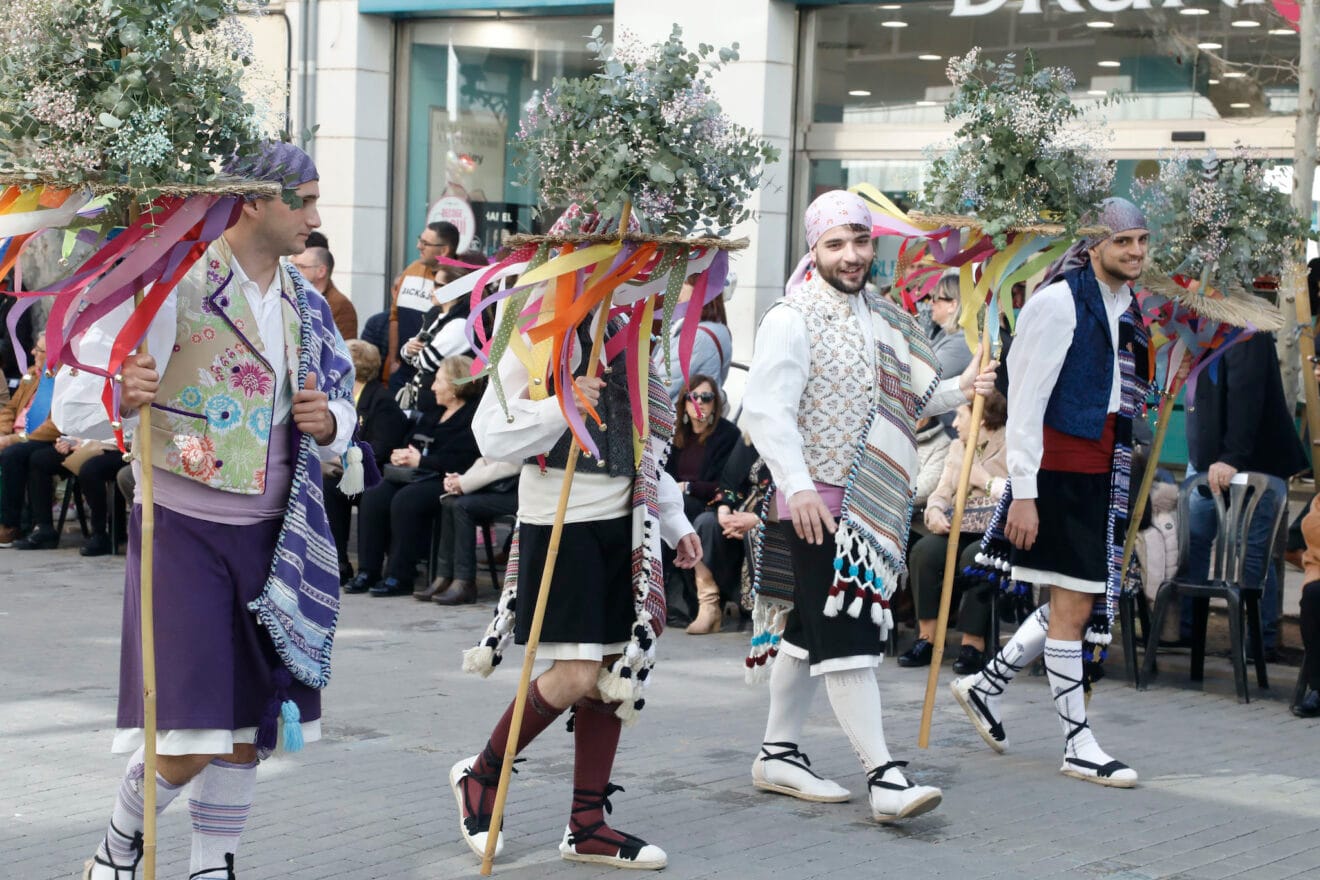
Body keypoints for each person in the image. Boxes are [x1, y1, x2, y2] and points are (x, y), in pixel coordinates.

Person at [56, 142, 363, 880]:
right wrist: (117, 396)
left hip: (276, 533)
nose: (316, 219)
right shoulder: (162, 285)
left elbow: (347, 411)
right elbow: (74, 397)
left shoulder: (309, 305)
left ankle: (212, 865)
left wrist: (331, 425)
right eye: (306, 201)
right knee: (191, 726)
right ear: (252, 201)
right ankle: (118, 841)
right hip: (182, 529)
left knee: (248, 724)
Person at [739, 190, 995, 823]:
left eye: (860, 241)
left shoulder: (882, 316)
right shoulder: (791, 316)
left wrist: (965, 387)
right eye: (836, 244)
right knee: (848, 639)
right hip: (815, 505)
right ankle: (884, 777)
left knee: (805, 635)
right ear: (813, 249)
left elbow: (915, 395)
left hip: (867, 505)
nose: (851, 255)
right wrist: (796, 485)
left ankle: (777, 752)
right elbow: (765, 411)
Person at [453, 273, 701, 869]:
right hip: (560, 518)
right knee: (574, 672)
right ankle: (482, 774)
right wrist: (564, 404)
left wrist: (675, 521)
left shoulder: (631, 325)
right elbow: (490, 431)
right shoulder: (534, 315)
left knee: (613, 673)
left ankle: (587, 823)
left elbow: (645, 442)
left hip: (627, 520)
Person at [950, 197, 1154, 789]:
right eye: (1124, 242)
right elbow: (1026, 404)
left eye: (1142, 240)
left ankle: (986, 685)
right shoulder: (1058, 303)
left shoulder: (1124, 304)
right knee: (1075, 606)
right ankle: (1077, 742)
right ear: (1094, 245)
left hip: (1101, 468)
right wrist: (1024, 491)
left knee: (1079, 600)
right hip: (1059, 471)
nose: (1136, 252)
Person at [1182, 329, 1307, 660]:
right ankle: (1188, 631)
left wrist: (1231, 457)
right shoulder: (1196, 327)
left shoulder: (1246, 329)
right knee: (1193, 542)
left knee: (1250, 552)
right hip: (1207, 460)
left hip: (1250, 462)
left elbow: (1246, 394)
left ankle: (1258, 640)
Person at [345, 355, 482, 597]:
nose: (432, 386)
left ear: (455, 386)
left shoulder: (471, 418)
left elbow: (464, 460)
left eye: (438, 381)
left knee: (406, 500)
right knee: (375, 493)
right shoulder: (434, 411)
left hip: (448, 479)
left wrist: (423, 460)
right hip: (416, 474)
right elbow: (412, 439)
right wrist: (403, 454)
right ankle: (368, 570)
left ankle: (400, 575)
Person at [898, 393, 1008, 673]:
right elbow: (942, 491)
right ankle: (928, 638)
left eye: (961, 415)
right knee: (924, 552)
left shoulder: (1011, 443)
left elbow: (1018, 493)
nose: (955, 423)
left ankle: (973, 644)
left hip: (997, 531)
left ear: (981, 417)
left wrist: (985, 481)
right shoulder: (958, 448)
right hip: (959, 525)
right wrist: (934, 511)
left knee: (976, 557)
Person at [325, 340, 407, 584]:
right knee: (328, 486)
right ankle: (338, 562)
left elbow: (379, 448)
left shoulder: (381, 401)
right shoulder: (342, 397)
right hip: (348, 471)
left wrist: (343, 457)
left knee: (370, 494)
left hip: (374, 474)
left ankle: (368, 569)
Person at [664, 375, 740, 633]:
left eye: (706, 398)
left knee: (684, 509)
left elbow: (726, 483)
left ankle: (706, 603)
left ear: (715, 403)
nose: (699, 403)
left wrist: (688, 487)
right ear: (684, 403)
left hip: (709, 507)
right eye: (692, 397)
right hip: (678, 507)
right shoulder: (675, 435)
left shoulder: (727, 434)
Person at [361, 221, 458, 391]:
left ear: (444, 250)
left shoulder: (458, 280)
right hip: (403, 369)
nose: (418, 246)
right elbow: (395, 317)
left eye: (425, 243)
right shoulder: (412, 269)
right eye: (420, 240)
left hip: (435, 376)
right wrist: (393, 361)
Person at [415, 455, 521, 604]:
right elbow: (486, 457)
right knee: (449, 501)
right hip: (500, 483)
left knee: (462, 505)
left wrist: (464, 482)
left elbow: (515, 463)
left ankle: (464, 582)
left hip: (522, 489)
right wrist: (461, 480)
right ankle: (444, 577)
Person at [0, 333, 62, 547]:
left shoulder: (60, 378)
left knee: (12, 454)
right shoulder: (31, 375)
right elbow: (9, 409)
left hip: (38, 437)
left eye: (39, 350)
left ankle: (9, 525)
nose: (32, 352)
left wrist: (15, 439)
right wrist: (2, 432)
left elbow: (55, 425)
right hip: (15, 434)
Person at [653, 276, 734, 403]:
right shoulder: (718, 328)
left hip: (675, 417)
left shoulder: (697, 336)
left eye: (683, 282)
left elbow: (661, 389)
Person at [291, 239, 357, 341]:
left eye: (301, 267)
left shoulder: (340, 305)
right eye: (293, 265)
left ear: (321, 271)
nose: (294, 271)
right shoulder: (291, 294)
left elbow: (342, 349)